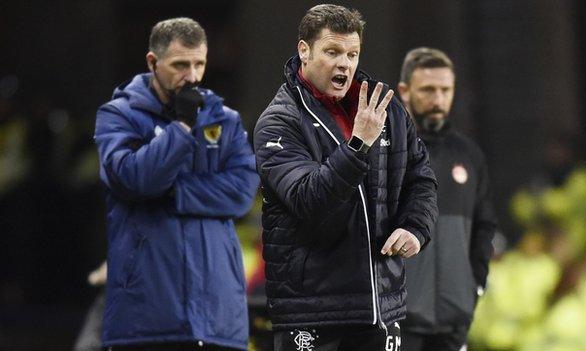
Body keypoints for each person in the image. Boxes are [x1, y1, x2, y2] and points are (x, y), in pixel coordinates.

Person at [253, 5, 438, 351]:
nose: (345, 64)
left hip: (380, 309)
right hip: (311, 312)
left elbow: (422, 179)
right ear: (304, 51)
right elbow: (309, 200)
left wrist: (415, 227)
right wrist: (357, 145)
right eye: (333, 52)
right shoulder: (279, 122)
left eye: (352, 54)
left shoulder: (387, 109)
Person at [94, 17, 259, 350]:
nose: (193, 76)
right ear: (153, 62)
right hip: (145, 317)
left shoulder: (224, 120)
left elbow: (241, 192)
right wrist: (182, 127)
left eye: (199, 64)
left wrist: (173, 190)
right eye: (180, 65)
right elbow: (135, 179)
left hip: (218, 316)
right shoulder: (118, 115)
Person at [396, 48, 497, 351]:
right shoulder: (389, 152)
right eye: (428, 90)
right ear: (405, 91)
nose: (438, 100)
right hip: (399, 319)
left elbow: (484, 225)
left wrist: (474, 287)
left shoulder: (469, 154)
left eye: (445, 90)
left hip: (455, 318)